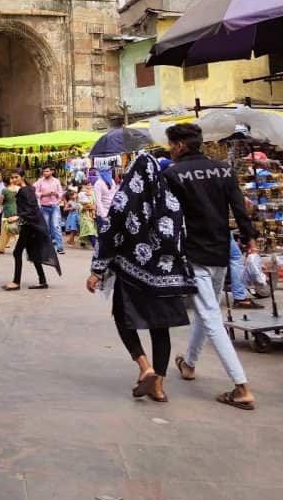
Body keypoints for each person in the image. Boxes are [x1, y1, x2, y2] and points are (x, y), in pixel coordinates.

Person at [162, 124, 257, 411]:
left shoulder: (172, 174)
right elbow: (239, 208)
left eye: (170, 145)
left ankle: (241, 387)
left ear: (179, 145)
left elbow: (166, 217)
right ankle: (189, 363)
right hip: (221, 250)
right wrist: (249, 239)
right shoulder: (223, 169)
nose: (169, 150)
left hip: (194, 252)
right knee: (208, 309)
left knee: (212, 317)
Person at [87, 153, 195, 403]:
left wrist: (97, 270)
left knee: (124, 320)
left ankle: (144, 365)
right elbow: (180, 236)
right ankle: (157, 385)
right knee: (160, 328)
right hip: (164, 276)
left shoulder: (125, 200)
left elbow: (110, 233)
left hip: (131, 274)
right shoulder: (171, 200)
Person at [3, 171, 61, 290]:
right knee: (33, 253)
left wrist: (17, 217)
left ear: (22, 177)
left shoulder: (26, 190)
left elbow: (32, 209)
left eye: (16, 177)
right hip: (31, 225)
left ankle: (16, 282)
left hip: (30, 226)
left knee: (17, 252)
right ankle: (42, 281)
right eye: (12, 177)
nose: (13, 179)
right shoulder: (27, 189)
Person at [34, 165, 65, 254]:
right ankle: (46, 247)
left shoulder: (56, 181)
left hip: (55, 206)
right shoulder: (40, 181)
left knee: (56, 226)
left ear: (52, 171)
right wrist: (43, 194)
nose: (45, 173)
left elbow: (61, 192)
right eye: (44, 171)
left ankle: (60, 247)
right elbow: (34, 191)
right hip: (44, 207)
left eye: (47, 171)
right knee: (45, 227)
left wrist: (57, 197)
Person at [0, 175, 19, 254]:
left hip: (7, 210)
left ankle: (1, 248)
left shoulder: (5, 190)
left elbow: (0, 202)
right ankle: (20, 247)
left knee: (5, 230)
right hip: (17, 210)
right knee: (16, 228)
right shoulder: (19, 189)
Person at [77, 181, 98, 251]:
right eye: (87, 185)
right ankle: (95, 246)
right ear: (84, 185)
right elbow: (79, 204)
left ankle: (84, 243)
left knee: (92, 230)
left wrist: (94, 208)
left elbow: (95, 203)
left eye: (90, 185)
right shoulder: (81, 194)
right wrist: (85, 207)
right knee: (90, 230)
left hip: (92, 215)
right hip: (84, 215)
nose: (89, 186)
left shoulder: (93, 194)